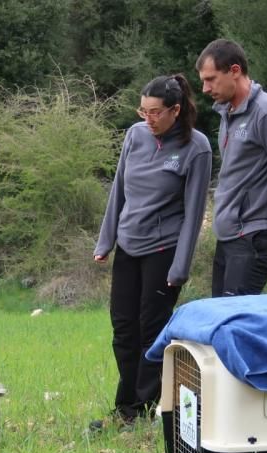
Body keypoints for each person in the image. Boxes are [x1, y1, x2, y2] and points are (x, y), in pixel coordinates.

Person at [91, 74, 212, 429]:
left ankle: (140, 409)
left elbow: (194, 213)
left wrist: (181, 267)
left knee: (151, 329)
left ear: (175, 110)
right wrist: (105, 240)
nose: (148, 119)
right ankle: (126, 404)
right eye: (143, 111)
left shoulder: (196, 147)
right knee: (123, 328)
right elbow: (119, 189)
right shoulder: (135, 135)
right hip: (129, 243)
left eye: (155, 112)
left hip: (164, 249)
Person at [196, 39, 267, 297]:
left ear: (234, 70)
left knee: (235, 320)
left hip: (257, 231)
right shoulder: (227, 114)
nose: (205, 88)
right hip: (230, 232)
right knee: (220, 318)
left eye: (211, 79)